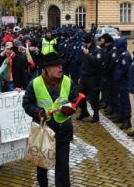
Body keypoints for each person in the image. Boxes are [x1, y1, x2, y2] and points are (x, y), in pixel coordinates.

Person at [23, 52, 78, 187]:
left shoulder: (68, 81)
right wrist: (39, 112)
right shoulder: (35, 83)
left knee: (63, 168)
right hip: (43, 132)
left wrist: (70, 109)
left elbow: (74, 100)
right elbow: (27, 104)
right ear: (47, 68)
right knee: (42, 167)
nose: (60, 68)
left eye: (61, 66)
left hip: (63, 132)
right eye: (56, 66)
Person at [78, 33, 102, 122]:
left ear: (88, 42)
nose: (82, 43)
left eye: (83, 42)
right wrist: (80, 76)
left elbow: (97, 63)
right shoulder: (85, 49)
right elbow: (83, 64)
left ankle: (96, 115)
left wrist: (88, 54)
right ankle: (84, 111)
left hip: (93, 78)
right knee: (80, 96)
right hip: (84, 77)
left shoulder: (97, 50)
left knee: (93, 97)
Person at [111, 38, 132, 129]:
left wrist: (118, 76)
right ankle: (121, 116)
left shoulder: (125, 55)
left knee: (125, 101)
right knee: (120, 100)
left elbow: (125, 70)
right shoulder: (120, 54)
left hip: (124, 82)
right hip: (119, 81)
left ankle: (127, 120)